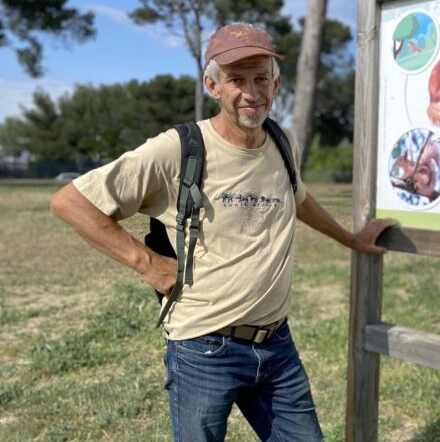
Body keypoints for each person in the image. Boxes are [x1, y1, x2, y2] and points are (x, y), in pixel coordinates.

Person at [50, 22, 393, 442]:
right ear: (212, 84)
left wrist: (350, 239)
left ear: (277, 83)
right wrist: (148, 263)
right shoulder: (178, 148)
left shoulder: (283, 142)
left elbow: (297, 197)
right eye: (236, 80)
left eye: (260, 78)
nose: (251, 92)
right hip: (203, 347)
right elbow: (71, 202)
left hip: (276, 343)